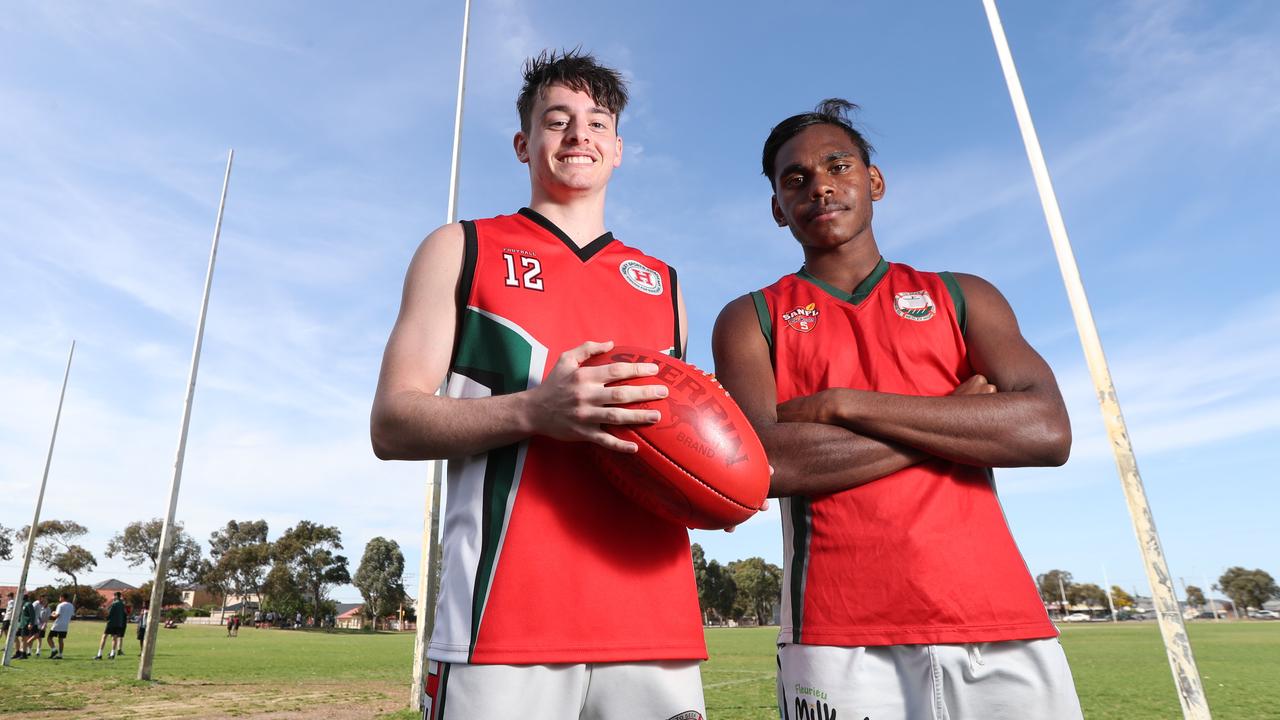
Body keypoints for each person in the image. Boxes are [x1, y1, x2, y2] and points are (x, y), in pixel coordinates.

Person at [371, 49, 719, 720]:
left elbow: (670, 443)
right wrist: (536, 410)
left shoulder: (664, 283)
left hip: (656, 626)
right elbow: (392, 421)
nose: (577, 135)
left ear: (618, 149)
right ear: (523, 142)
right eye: (556, 120)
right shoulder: (461, 247)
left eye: (596, 122)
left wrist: (713, 484)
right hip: (501, 628)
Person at [712, 99, 1083, 719]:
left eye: (839, 166)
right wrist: (951, 418)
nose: (821, 186)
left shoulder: (963, 295)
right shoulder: (751, 317)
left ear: (874, 181)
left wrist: (838, 404)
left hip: (997, 621)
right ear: (778, 207)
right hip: (835, 632)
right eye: (795, 178)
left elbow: (1046, 431)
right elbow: (763, 466)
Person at [95, 591, 127, 660]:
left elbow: (109, 613)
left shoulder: (114, 604)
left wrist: (104, 615)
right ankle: (112, 654)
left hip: (111, 623)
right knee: (114, 638)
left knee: (104, 637)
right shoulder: (122, 604)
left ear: (115, 596)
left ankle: (99, 654)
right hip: (119, 623)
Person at [47, 592, 74, 659]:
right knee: (61, 640)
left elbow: (57, 615)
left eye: (60, 597)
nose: (59, 598)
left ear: (62, 597)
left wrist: (51, 614)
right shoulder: (71, 605)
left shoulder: (60, 605)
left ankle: (54, 650)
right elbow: (72, 615)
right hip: (65, 625)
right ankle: (60, 654)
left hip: (57, 624)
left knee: (49, 638)